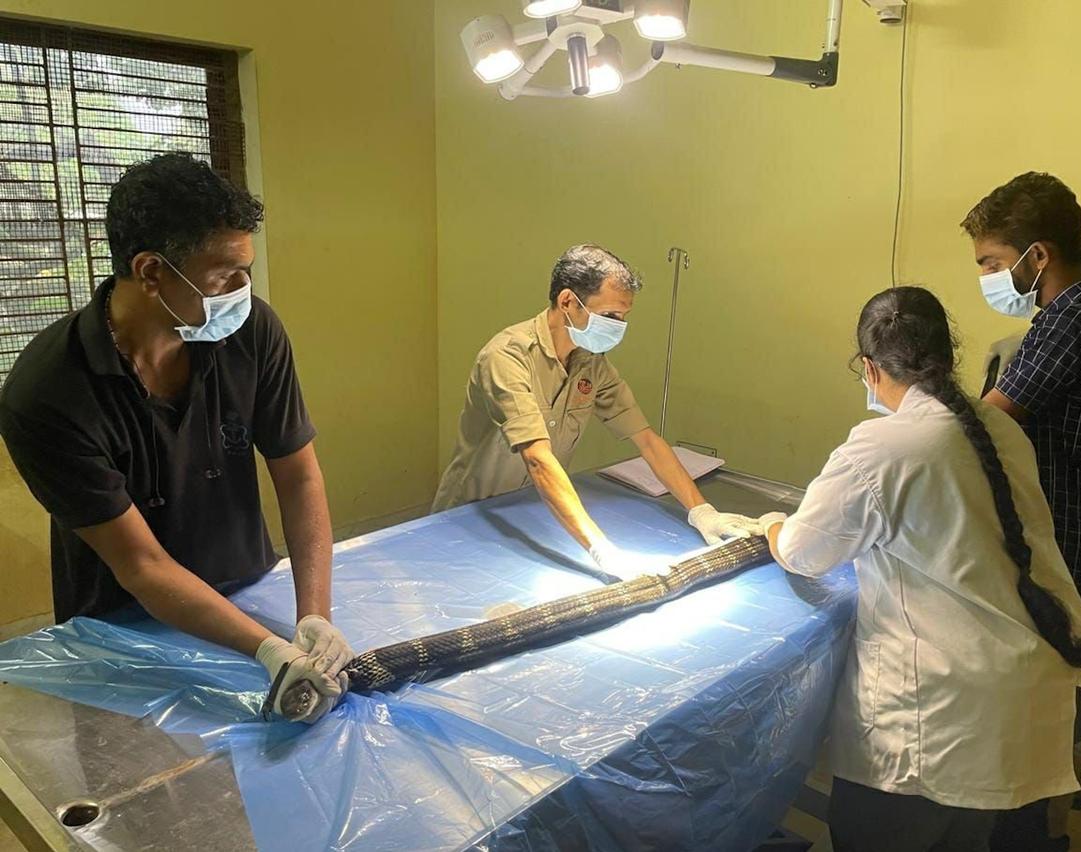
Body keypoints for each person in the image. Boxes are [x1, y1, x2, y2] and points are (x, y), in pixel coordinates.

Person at [0, 154, 350, 723]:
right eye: (223, 275)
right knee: (147, 791)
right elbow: (140, 565)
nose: (242, 289)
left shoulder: (252, 331)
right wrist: (268, 650)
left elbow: (298, 472)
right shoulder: (47, 393)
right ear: (151, 272)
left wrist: (312, 615)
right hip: (127, 630)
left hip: (248, 591)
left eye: (247, 271)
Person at [759, 286, 1081, 852]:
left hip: (933, 716)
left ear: (868, 368)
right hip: (1009, 697)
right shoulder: (1000, 430)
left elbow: (803, 552)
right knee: (960, 839)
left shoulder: (883, 446)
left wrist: (770, 524)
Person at [961, 172, 1081, 847]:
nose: (986, 277)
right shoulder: (1079, 317)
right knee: (1043, 735)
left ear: (1038, 256)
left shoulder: (1076, 321)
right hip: (1075, 549)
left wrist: (905, 425)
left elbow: (984, 427)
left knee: (1041, 742)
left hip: (1070, 558)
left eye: (992, 264)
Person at [434, 244, 761, 578]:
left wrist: (702, 511)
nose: (618, 327)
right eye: (610, 317)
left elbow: (646, 440)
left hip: (537, 510)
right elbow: (537, 458)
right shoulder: (507, 357)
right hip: (471, 518)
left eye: (623, 318)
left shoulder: (591, 364)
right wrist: (602, 550)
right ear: (567, 303)